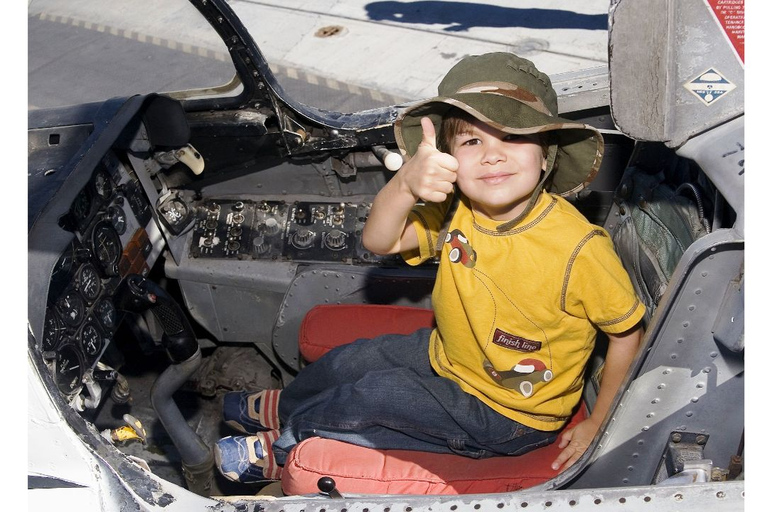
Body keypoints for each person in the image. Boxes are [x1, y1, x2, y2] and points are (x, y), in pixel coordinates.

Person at [214, 52, 645, 484]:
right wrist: (404, 184)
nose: (492, 156)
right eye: (472, 141)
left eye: (513, 138)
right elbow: (378, 240)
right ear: (449, 160)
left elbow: (625, 334)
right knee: (348, 363)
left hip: (508, 413)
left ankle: (284, 444)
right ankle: (288, 404)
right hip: (450, 355)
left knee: (370, 399)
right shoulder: (459, 210)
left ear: (547, 156)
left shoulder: (580, 249)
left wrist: (599, 421)